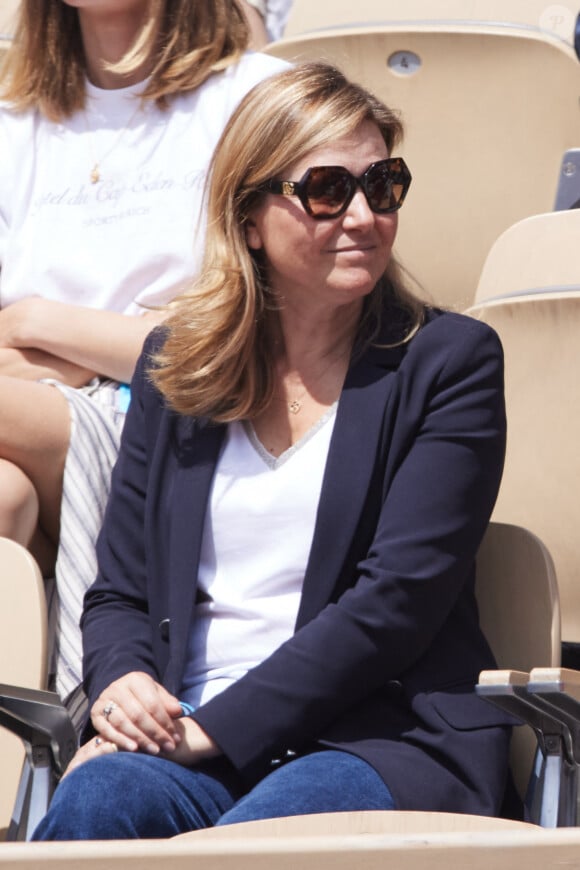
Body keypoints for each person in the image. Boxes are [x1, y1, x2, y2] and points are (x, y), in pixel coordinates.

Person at [33, 61, 512, 841]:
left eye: (383, 184)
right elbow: (119, 589)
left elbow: (393, 608)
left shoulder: (449, 363)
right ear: (249, 217)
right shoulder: (175, 367)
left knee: (256, 843)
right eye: (327, 190)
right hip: (190, 740)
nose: (363, 214)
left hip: (378, 738)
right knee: (97, 802)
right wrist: (121, 685)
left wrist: (205, 731)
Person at [0, 0, 287, 725]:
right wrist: (123, 336)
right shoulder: (12, 120)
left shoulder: (252, 95)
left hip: (189, 423)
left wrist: (38, 324)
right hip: (29, 421)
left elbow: (242, 330)